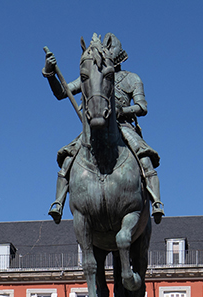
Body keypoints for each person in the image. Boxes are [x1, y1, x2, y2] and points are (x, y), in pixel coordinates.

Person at [42, 33, 163, 223]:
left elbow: (142, 107)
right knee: (68, 157)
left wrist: (122, 110)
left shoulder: (131, 78)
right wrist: (49, 73)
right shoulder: (91, 75)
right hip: (94, 129)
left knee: (144, 156)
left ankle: (156, 202)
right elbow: (61, 92)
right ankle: (58, 202)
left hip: (123, 126)